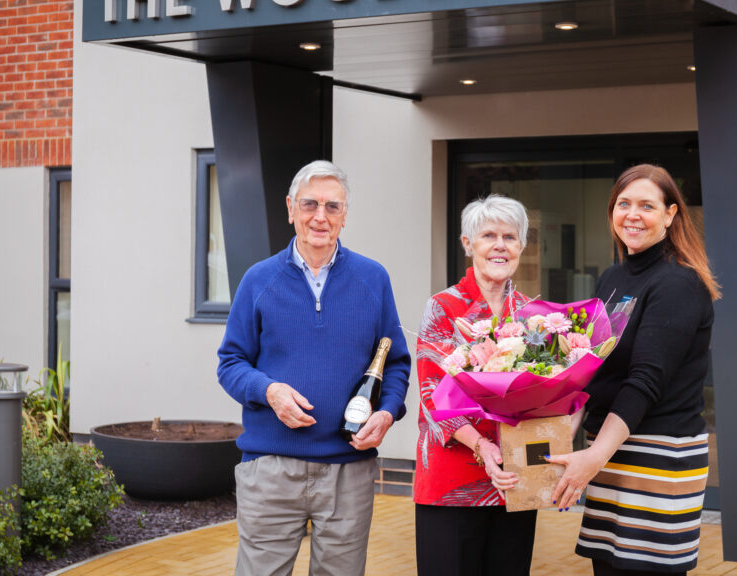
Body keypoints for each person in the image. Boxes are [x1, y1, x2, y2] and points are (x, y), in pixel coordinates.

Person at [217, 160, 411, 576]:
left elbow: (394, 361)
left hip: (349, 471)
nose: (320, 216)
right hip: (269, 468)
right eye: (310, 204)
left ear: (344, 216)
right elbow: (230, 363)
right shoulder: (258, 279)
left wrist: (388, 412)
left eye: (332, 207)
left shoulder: (373, 278)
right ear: (290, 208)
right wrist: (269, 391)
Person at [547, 164, 721, 575]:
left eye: (647, 205)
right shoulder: (612, 278)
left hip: (657, 459)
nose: (633, 214)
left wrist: (592, 457)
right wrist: (564, 438)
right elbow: (591, 370)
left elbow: (645, 381)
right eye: (623, 204)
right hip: (611, 453)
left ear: (670, 215)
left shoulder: (679, 284)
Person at [413, 194, 537, 576]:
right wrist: (483, 446)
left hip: (514, 479)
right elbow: (433, 396)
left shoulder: (534, 315)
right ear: (468, 244)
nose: (500, 245)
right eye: (488, 236)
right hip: (453, 479)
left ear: (521, 246)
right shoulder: (443, 307)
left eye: (510, 237)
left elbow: (544, 398)